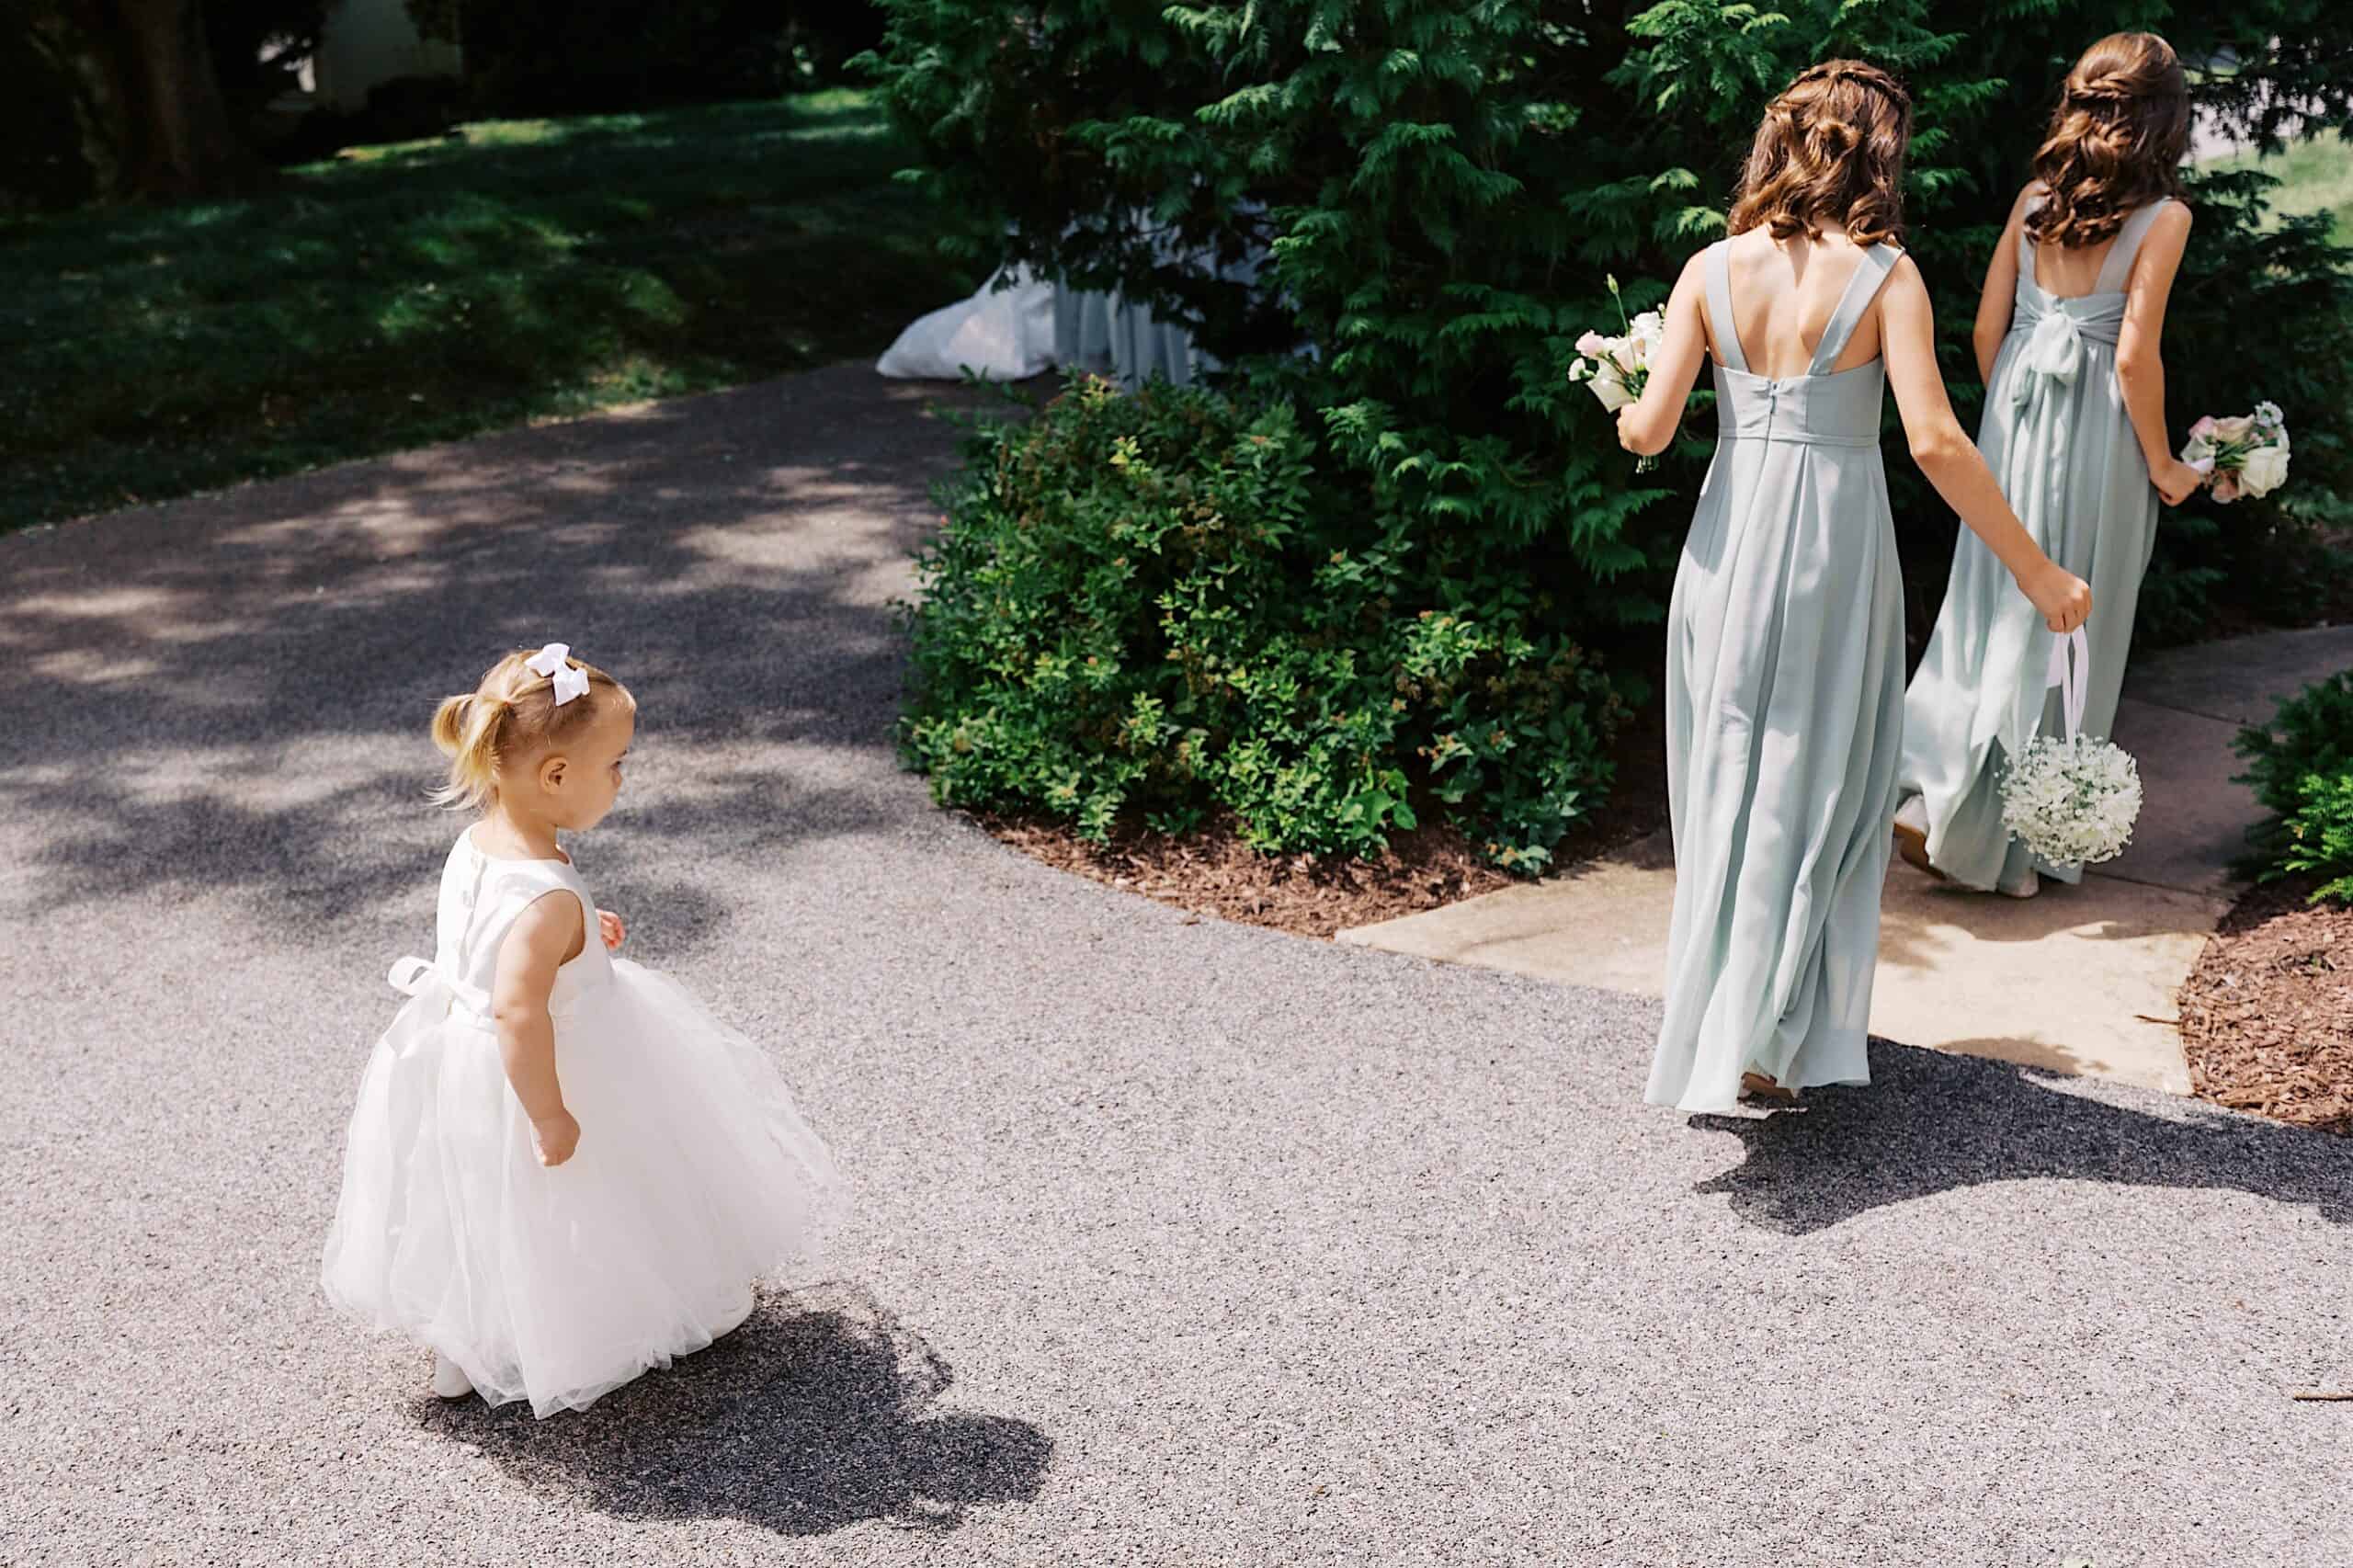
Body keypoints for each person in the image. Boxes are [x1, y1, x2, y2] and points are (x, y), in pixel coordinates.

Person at [1615, 61, 2092, 1113]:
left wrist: (1624, 389)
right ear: (1879, 155)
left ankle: (1724, 1025)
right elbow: (1934, 441)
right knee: (1820, 784)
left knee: (1724, 779)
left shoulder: (1707, 267)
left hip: (1727, 551)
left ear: (1778, 147)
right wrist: (2039, 569)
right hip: (1832, 554)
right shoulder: (1888, 277)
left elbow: (1646, 432)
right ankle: (1770, 1031)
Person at [322, 643, 843, 1415]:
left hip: (456, 1063)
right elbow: (519, 1009)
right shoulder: (545, 898)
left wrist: (580, 932)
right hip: (542, 1067)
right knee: (578, 1197)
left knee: (474, 1201)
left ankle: (460, 1351)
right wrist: (551, 1111)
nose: (623, 778)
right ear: (557, 776)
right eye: (616, 764)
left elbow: (489, 943)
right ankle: (630, 1317)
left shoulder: (483, 845)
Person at [1893, 32, 2200, 898]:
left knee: (1989, 608)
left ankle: (1935, 790)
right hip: (2101, 440)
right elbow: (2136, 360)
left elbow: (1989, 332)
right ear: (2164, 120)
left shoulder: (2034, 200)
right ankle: (2012, 846)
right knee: (2071, 632)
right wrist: (2165, 464)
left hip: (2010, 426)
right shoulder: (2164, 218)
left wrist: (2012, 422)